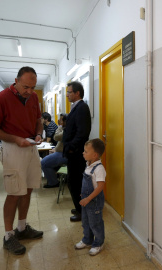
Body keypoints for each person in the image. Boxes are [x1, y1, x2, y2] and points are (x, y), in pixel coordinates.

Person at [0, 66, 44, 255]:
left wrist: (38, 134)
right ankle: (8, 236)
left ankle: (22, 228)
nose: (29, 92)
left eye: (33, 87)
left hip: (30, 146)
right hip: (13, 148)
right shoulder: (1, 98)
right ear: (16, 80)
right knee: (14, 192)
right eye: (26, 87)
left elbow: (38, 119)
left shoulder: (33, 98)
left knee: (27, 189)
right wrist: (16, 139)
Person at [63, 81, 91, 222]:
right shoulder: (76, 107)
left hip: (76, 153)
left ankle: (81, 211)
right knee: (73, 182)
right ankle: (78, 206)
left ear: (77, 93)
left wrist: (71, 148)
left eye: (69, 92)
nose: (67, 94)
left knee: (76, 183)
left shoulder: (82, 108)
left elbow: (82, 133)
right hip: (73, 153)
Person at [74, 138, 106, 256]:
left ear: (95, 155)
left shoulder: (99, 169)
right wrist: (84, 195)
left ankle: (98, 243)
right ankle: (87, 240)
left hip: (94, 201)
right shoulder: (88, 165)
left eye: (86, 151)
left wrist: (88, 198)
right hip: (86, 201)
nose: (83, 153)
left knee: (95, 223)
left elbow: (100, 186)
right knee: (86, 222)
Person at [41, 113, 68, 188]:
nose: (59, 120)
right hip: (59, 152)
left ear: (66, 121)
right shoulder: (64, 129)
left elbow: (56, 137)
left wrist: (59, 126)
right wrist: (55, 149)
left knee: (43, 162)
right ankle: (54, 179)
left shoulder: (66, 130)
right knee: (47, 158)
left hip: (63, 154)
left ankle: (53, 182)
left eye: (61, 119)